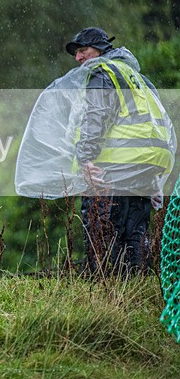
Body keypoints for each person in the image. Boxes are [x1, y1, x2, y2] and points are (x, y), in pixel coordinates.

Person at [66, 27, 174, 275]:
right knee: (135, 230)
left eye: (83, 51)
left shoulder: (102, 73)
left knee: (101, 225)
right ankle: (132, 283)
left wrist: (85, 159)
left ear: (101, 51)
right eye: (76, 53)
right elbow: (164, 123)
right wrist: (157, 176)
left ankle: (104, 285)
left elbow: (96, 116)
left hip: (116, 164)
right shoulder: (137, 77)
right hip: (147, 162)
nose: (78, 58)